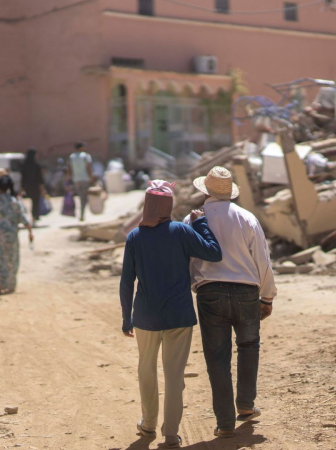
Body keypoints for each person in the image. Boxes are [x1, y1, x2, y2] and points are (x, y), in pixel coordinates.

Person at [119, 180, 223, 448]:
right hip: (179, 317)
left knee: (146, 370)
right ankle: (171, 433)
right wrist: (200, 224)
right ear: (169, 205)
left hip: (145, 317)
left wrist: (125, 318)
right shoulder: (180, 231)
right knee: (175, 376)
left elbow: (126, 281)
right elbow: (213, 253)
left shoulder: (134, 236)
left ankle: (148, 424)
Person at [184, 166, 277, 438]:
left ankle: (225, 422)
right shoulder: (246, 218)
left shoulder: (192, 221)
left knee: (217, 357)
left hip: (209, 293)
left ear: (205, 190)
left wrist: (195, 285)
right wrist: (267, 295)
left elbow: (188, 261)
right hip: (246, 292)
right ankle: (246, 405)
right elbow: (263, 259)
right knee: (249, 346)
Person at [0, 175, 33, 295]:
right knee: (12, 259)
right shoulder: (14, 201)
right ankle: (11, 284)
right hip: (11, 236)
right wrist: (30, 231)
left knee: (1, 259)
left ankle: (1, 283)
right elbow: (24, 219)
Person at [66, 142, 94, 221]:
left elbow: (69, 169)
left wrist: (68, 179)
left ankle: (81, 212)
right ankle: (82, 214)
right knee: (83, 197)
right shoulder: (85, 156)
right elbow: (88, 168)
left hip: (76, 179)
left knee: (80, 196)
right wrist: (92, 178)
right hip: (85, 179)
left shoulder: (72, 157)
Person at [21, 148, 45, 227]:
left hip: (27, 186)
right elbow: (40, 178)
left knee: (27, 202)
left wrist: (22, 187)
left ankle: (28, 219)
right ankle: (34, 218)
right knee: (35, 202)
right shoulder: (36, 165)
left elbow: (23, 177)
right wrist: (42, 188)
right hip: (35, 187)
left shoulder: (24, 165)